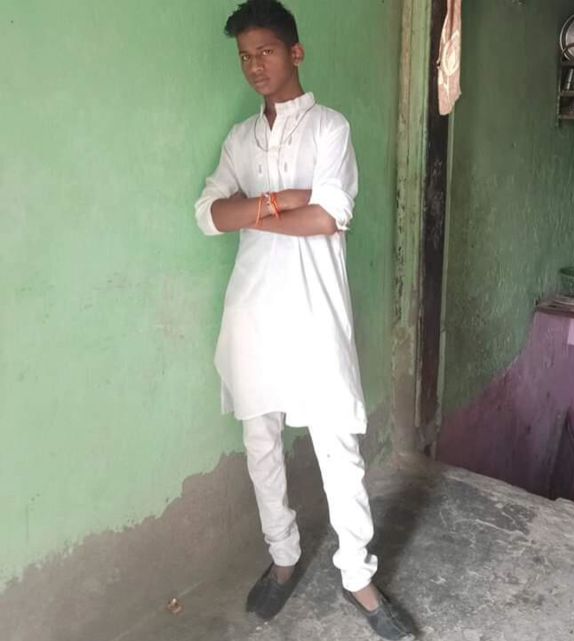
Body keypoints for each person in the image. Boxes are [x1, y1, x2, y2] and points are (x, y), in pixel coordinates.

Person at [194, 2, 413, 639]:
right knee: (260, 440)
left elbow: (328, 216)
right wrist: (282, 199)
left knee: (336, 443)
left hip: (315, 310)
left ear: (295, 52)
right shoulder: (240, 140)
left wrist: (254, 210)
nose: (254, 65)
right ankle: (284, 556)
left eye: (265, 51)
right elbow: (207, 215)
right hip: (252, 310)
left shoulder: (329, 129)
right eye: (245, 56)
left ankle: (357, 576)